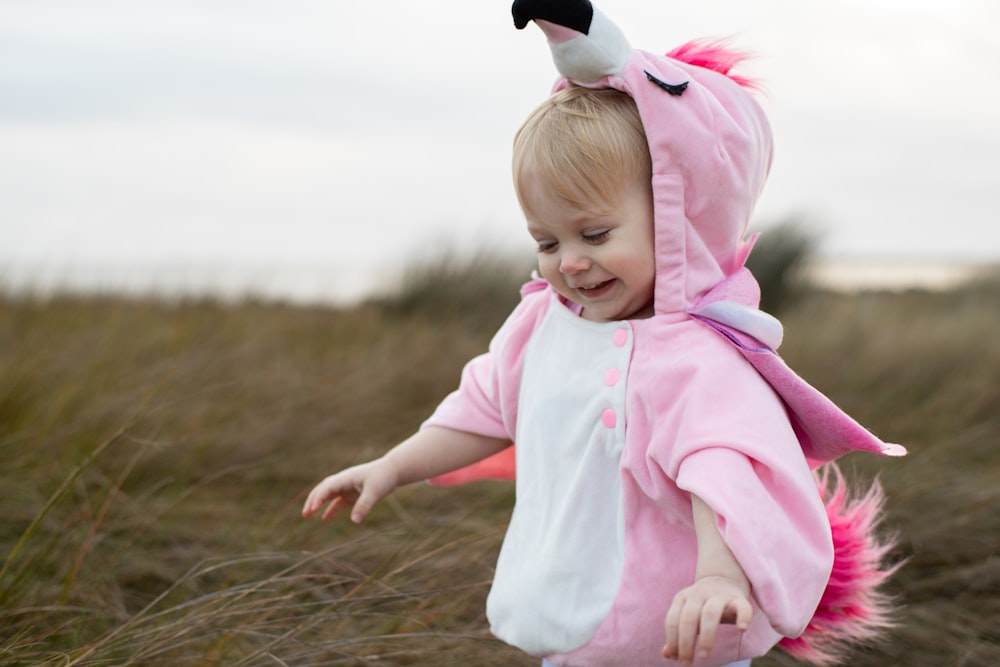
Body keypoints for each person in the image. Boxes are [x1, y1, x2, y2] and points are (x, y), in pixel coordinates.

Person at [302, 2, 904, 665]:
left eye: (595, 233)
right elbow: (482, 409)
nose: (571, 261)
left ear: (673, 217)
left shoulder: (696, 358)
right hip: (571, 622)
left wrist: (720, 577)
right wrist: (392, 466)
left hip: (680, 632)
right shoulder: (541, 324)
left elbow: (723, 470)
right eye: (546, 240)